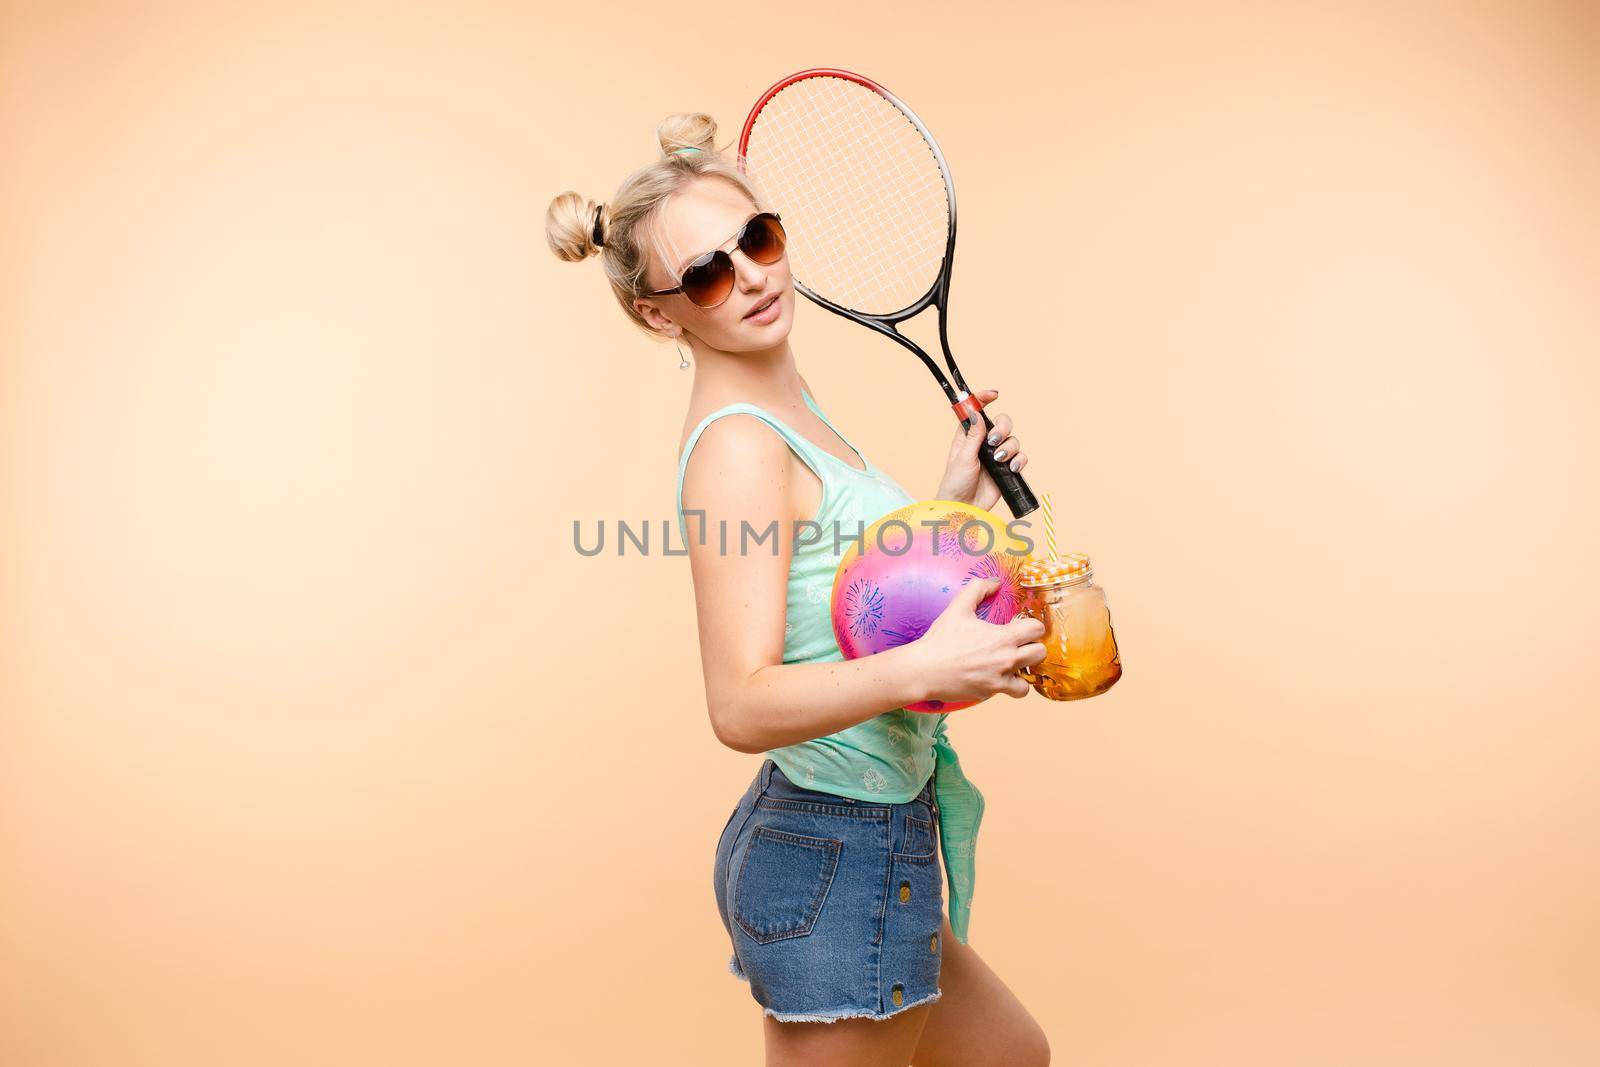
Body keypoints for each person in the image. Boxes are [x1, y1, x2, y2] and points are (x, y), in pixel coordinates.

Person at [547, 111, 1051, 1066]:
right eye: (706, 274)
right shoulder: (739, 443)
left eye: (759, 238)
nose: (752, 275)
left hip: (852, 828)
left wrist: (953, 500)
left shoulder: (787, 402)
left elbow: (833, 598)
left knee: (1007, 1054)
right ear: (664, 311)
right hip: (837, 841)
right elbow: (740, 701)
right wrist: (926, 665)